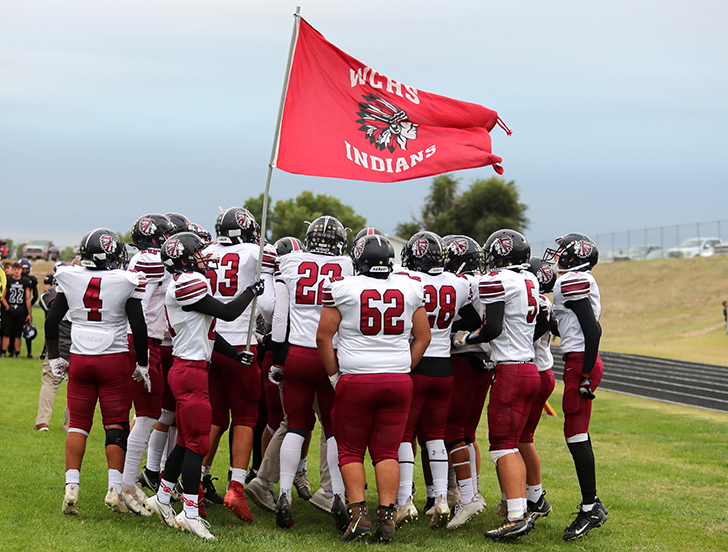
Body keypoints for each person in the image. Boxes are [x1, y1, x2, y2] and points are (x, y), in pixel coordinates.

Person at [144, 232, 264, 541]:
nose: (203, 256)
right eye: (197, 253)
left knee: (186, 440)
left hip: (190, 367)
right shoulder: (186, 283)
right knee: (198, 443)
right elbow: (227, 313)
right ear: (184, 258)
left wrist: (236, 354)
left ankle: (162, 497)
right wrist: (251, 291)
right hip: (190, 371)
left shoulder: (189, 283)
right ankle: (191, 513)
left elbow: (209, 330)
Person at [317, 234, 431, 542]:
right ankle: (387, 519)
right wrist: (404, 366)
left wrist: (334, 375)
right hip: (397, 380)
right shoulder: (409, 288)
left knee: (350, 450)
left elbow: (323, 337)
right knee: (386, 451)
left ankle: (359, 516)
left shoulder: (342, 288)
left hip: (357, 378)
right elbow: (424, 337)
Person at [44, 229, 149, 516]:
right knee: (115, 424)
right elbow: (139, 326)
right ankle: (114, 489)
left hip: (80, 357)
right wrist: (143, 362)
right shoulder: (125, 279)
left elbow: (52, 320)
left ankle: (71, 486)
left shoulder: (69, 275)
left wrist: (55, 357)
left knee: (78, 423)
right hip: (113, 358)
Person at [453, 229, 545, 540]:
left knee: (502, 446)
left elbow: (491, 327)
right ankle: (519, 508)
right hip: (530, 366)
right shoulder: (529, 279)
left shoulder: (498, 280)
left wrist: (469, 337)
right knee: (514, 444)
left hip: (511, 372)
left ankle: (516, 515)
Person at [271, 215, 353, 530]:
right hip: (331, 354)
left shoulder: (289, 262)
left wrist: (279, 360)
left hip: (298, 353)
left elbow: (279, 316)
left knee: (296, 426)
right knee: (333, 430)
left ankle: (284, 495)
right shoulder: (347, 266)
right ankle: (338, 496)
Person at [395, 231, 481, 529]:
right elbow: (472, 319)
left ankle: (404, 499)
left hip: (416, 364)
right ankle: (442, 498)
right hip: (444, 368)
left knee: (405, 435)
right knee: (436, 435)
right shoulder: (458, 283)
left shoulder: (405, 279)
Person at [200, 207, 275, 523]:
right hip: (241, 346)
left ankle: (198, 482)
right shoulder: (256, 252)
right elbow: (269, 303)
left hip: (210, 344)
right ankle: (235, 487)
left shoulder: (203, 251)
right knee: (246, 416)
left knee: (215, 417)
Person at [544, 232, 609, 540]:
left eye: (562, 251)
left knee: (576, 433)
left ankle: (589, 506)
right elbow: (575, 325)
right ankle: (590, 503)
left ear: (575, 255)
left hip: (581, 360)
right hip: (579, 357)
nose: (557, 256)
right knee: (575, 432)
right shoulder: (574, 280)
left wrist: (584, 375)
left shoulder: (573, 280)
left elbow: (592, 330)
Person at [120, 213, 176, 515]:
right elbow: (140, 309)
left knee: (145, 413)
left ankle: (125, 483)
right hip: (142, 340)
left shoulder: (141, 257)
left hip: (138, 338)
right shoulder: (154, 260)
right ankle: (125, 486)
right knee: (147, 414)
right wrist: (143, 355)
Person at [441, 235, 492, 529]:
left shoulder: (461, 284)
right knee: (468, 433)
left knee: (453, 432)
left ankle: (468, 495)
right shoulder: (481, 281)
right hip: (481, 363)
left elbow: (471, 322)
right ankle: (471, 490)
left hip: (464, 359)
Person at [517, 257, 558, 521]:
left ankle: (535, 497)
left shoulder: (537, 301)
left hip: (534, 370)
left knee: (521, 439)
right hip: (542, 370)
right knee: (521, 439)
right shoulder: (544, 301)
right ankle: (529, 495)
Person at [35, 262, 74, 431]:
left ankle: (43, 421)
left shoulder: (55, 293)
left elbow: (44, 300)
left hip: (58, 347)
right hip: (80, 347)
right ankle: (71, 425)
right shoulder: (86, 292)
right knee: (75, 388)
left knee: (50, 383)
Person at [1, 262, 32, 358]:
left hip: (20, 310)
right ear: (12, 270)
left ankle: (17, 353)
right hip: (9, 310)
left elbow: (27, 298)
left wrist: (29, 313)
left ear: (21, 270)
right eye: (15, 269)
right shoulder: (8, 280)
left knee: (18, 333)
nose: (17, 271)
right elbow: (2, 296)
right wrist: (7, 307)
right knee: (7, 332)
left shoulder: (25, 281)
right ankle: (3, 352)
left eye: (18, 269)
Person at [19, 258, 39, 358]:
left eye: (26, 269)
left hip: (24, 307)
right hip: (20, 306)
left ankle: (29, 352)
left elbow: (35, 295)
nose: (24, 271)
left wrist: (29, 305)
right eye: (23, 268)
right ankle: (14, 350)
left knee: (28, 330)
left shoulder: (32, 280)